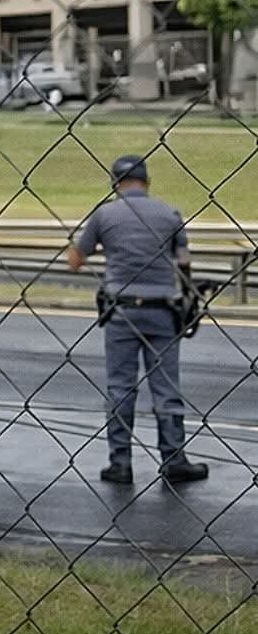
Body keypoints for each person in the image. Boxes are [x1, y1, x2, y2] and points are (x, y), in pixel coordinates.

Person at [67, 154, 208, 487]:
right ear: (147, 182)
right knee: (166, 388)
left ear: (115, 183)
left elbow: (75, 260)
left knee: (120, 388)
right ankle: (174, 459)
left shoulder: (105, 214)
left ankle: (120, 463)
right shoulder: (170, 214)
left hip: (122, 312)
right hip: (163, 311)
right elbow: (184, 266)